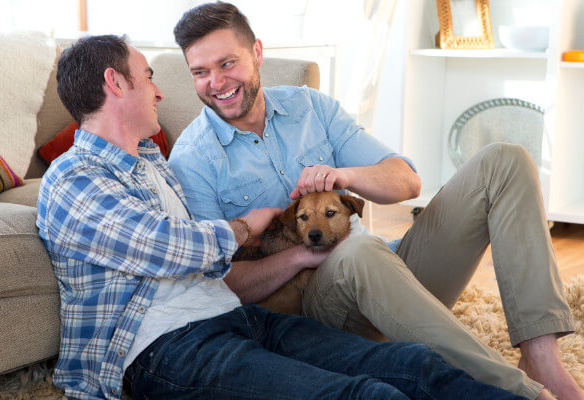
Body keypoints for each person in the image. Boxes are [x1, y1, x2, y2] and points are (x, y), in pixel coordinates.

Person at [36, 34, 530, 400]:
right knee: (367, 395)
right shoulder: (74, 177)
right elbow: (171, 247)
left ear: (256, 53)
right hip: (160, 351)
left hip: (234, 318)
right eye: (148, 78)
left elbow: (406, 181)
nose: (159, 93)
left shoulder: (151, 164)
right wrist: (250, 224)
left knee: (415, 365)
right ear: (114, 83)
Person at [168, 3, 582, 400]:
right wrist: (303, 258)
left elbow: (406, 180)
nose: (216, 83)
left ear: (257, 52)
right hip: (321, 317)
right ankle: (517, 392)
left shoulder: (310, 107)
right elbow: (215, 288)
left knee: (504, 160)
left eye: (227, 63)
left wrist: (345, 175)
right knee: (358, 248)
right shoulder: (193, 160)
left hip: (391, 275)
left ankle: (540, 359)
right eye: (200, 72)